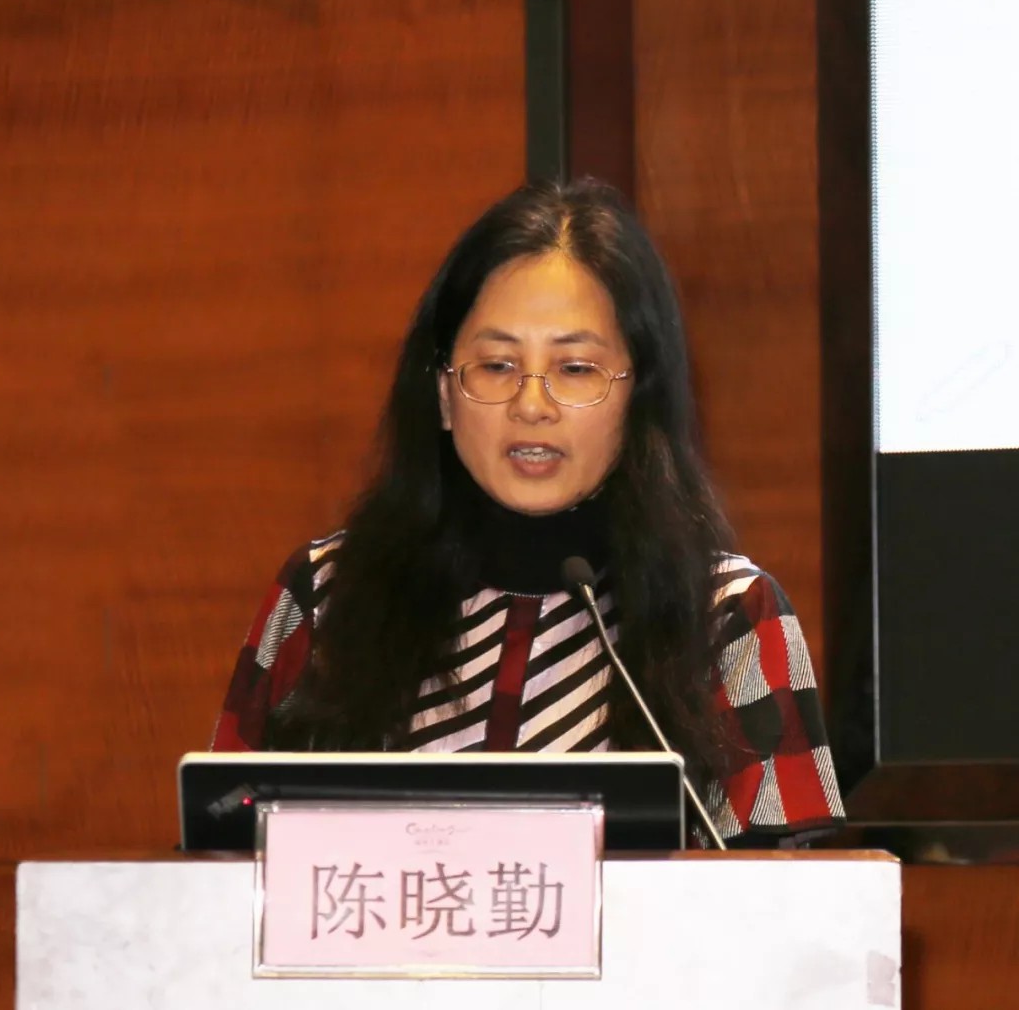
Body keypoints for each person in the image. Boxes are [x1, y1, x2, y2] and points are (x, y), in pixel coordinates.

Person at [211, 179, 845, 846]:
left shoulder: (726, 617)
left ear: (638, 398)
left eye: (575, 368)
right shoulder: (328, 597)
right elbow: (217, 861)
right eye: (496, 365)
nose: (532, 405)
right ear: (445, 394)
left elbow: (791, 897)